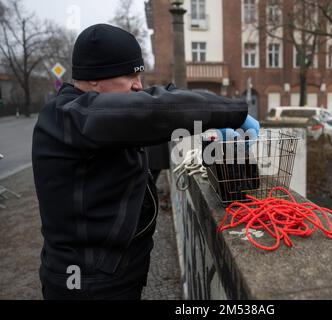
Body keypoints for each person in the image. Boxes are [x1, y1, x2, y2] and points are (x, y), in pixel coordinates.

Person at [32, 24, 258, 300]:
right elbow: (151, 111)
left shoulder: (101, 119)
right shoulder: (71, 116)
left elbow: (161, 109)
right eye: (129, 75)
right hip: (86, 284)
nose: (138, 84)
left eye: (139, 74)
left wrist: (203, 128)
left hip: (116, 274)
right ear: (93, 79)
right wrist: (234, 112)